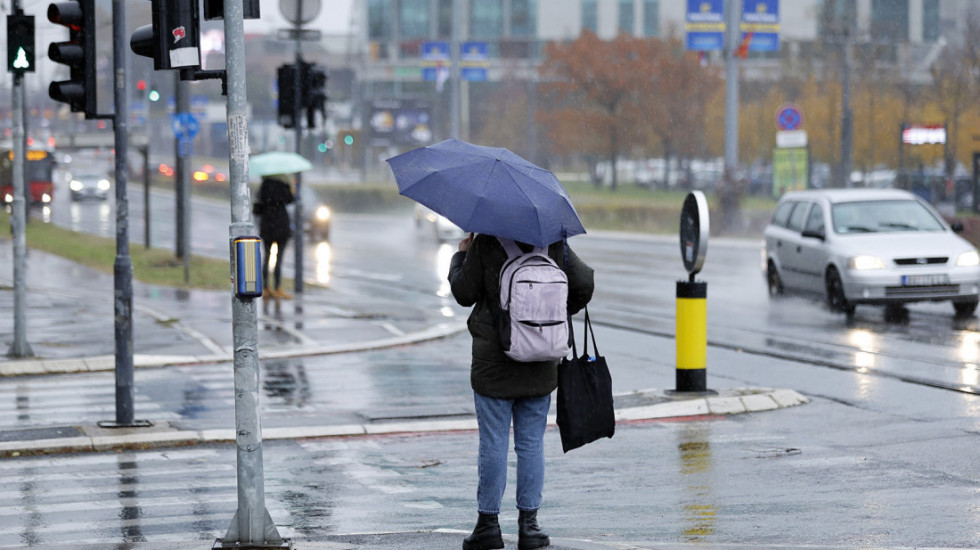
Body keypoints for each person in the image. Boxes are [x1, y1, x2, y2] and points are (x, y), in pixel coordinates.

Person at [448, 232, 594, 550]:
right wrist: (547, 315)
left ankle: (488, 526)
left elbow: (463, 292)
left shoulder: (486, 241)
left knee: (493, 444)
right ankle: (530, 527)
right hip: (540, 359)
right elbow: (584, 283)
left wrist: (461, 254)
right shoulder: (553, 243)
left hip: (494, 363)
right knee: (531, 444)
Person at [255, 173, 295, 299]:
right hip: (282, 225)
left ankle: (266, 287)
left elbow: (259, 203)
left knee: (266, 258)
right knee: (279, 259)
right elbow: (291, 200)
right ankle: (278, 288)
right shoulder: (284, 185)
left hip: (267, 224)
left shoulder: (264, 185)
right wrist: (291, 187)